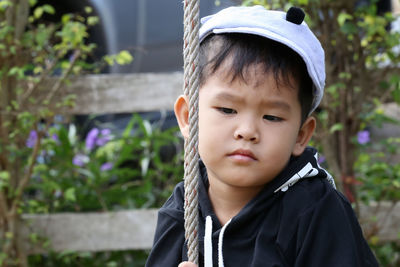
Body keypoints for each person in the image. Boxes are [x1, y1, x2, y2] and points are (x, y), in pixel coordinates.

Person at [146, 5, 378, 267]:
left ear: (302, 135)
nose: (247, 131)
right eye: (227, 109)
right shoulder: (182, 211)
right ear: (189, 118)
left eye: (272, 117)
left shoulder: (315, 212)